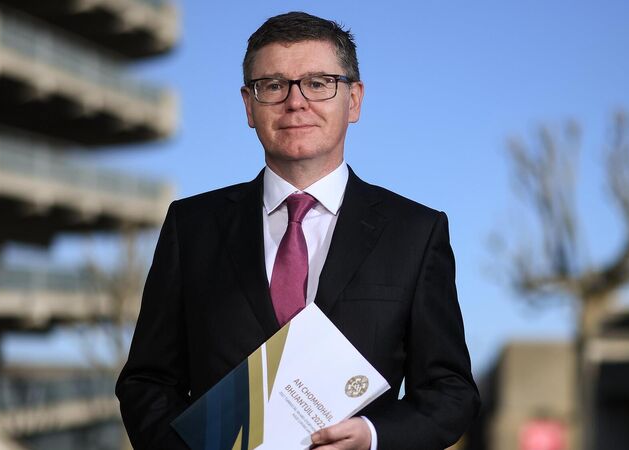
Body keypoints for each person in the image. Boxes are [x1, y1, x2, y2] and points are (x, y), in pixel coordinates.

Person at [116, 11, 480, 450]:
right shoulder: (191, 227)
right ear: (249, 105)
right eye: (273, 85)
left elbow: (450, 392)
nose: (295, 101)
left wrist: (373, 436)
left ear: (354, 100)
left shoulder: (416, 233)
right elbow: (147, 382)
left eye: (318, 83)